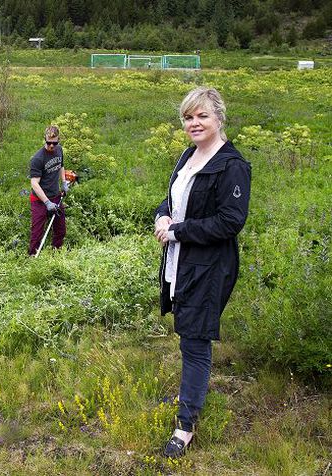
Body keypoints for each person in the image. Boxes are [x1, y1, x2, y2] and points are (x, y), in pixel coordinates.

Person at [153, 87, 251, 458]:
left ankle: (185, 424)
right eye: (188, 117)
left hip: (209, 268)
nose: (194, 124)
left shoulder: (231, 165)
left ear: (219, 118)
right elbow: (173, 197)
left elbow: (230, 221)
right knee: (187, 334)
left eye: (201, 116)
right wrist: (163, 215)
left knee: (195, 342)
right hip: (182, 262)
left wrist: (178, 230)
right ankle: (190, 395)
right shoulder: (188, 156)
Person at [28, 125, 69, 255]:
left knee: (61, 229)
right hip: (40, 200)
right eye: (49, 143)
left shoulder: (59, 150)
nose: (51, 146)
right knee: (37, 233)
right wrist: (46, 202)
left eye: (54, 143)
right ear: (44, 139)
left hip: (56, 196)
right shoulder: (38, 158)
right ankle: (31, 258)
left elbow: (61, 166)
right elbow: (34, 183)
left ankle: (56, 253)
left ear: (59, 140)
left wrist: (64, 183)